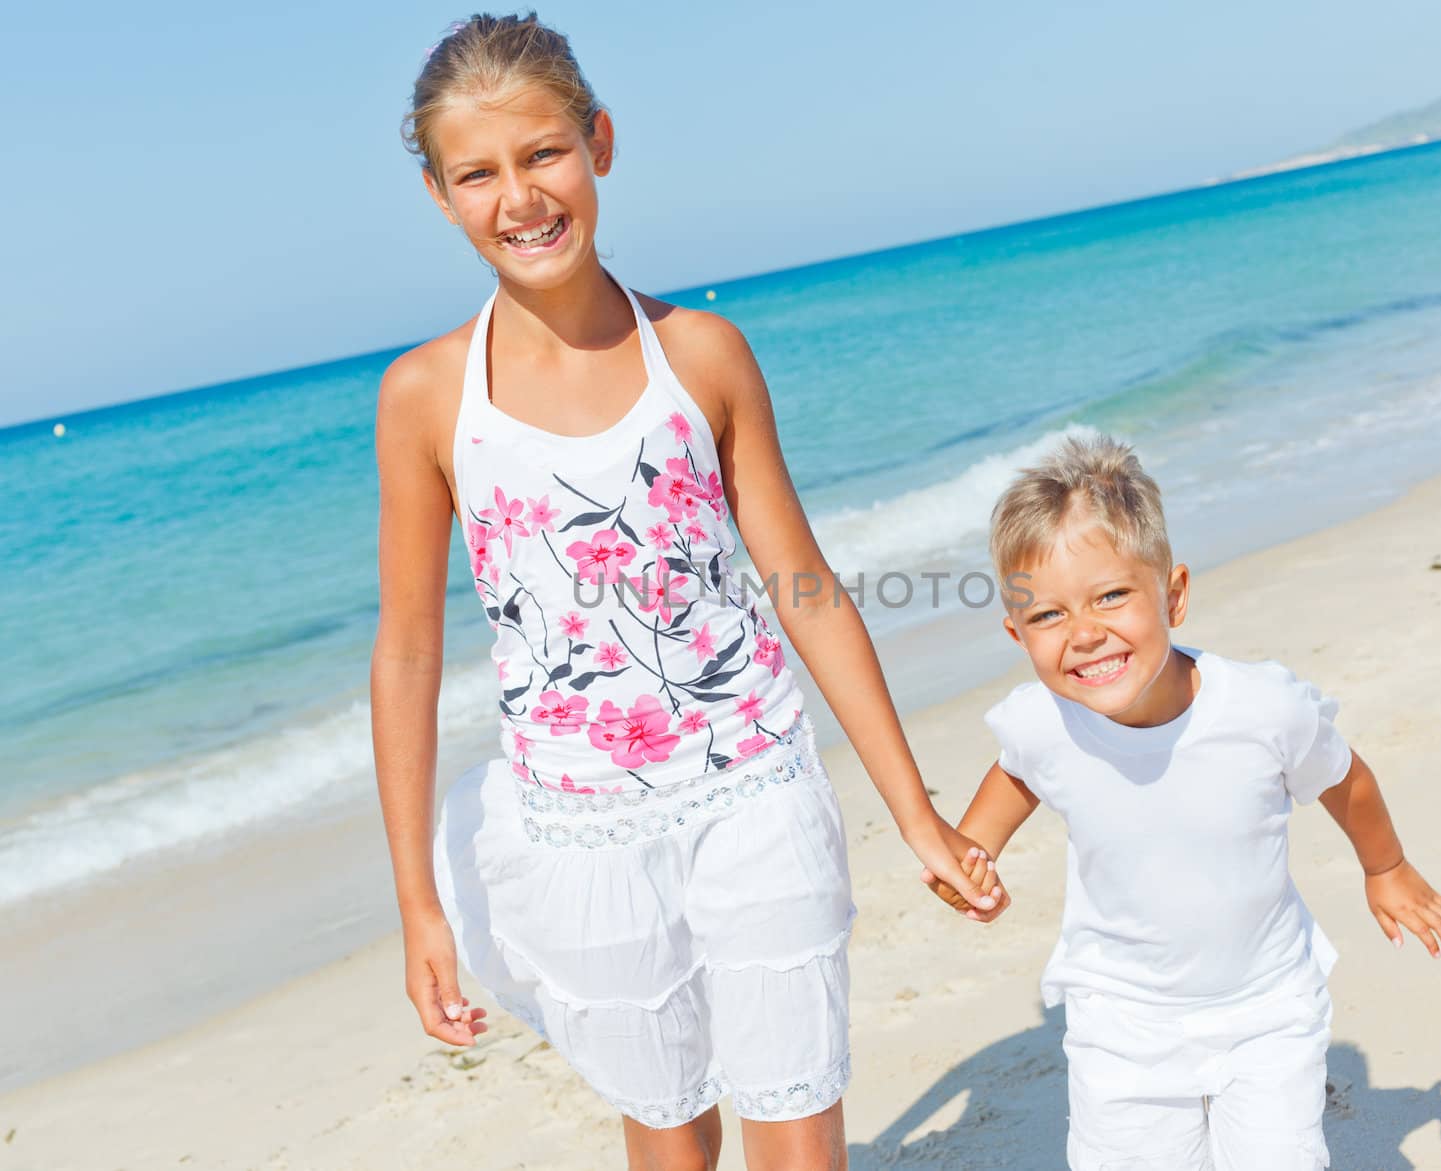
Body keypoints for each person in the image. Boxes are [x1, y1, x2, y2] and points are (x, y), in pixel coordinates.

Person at [368, 13, 995, 1170]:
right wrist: (418, 901)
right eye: (479, 173)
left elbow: (802, 585)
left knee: (797, 1127)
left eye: (544, 153)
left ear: (598, 142)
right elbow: (406, 653)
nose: (520, 196)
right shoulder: (425, 398)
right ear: (440, 194)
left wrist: (915, 809)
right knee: (668, 1135)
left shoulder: (701, 355)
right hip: (583, 826)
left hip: (753, 782)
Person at [922, 434, 1441, 1170]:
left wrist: (1387, 866)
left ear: (1172, 593)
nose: (1084, 633)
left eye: (1111, 595)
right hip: (1121, 1021)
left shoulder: (1262, 710)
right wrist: (971, 855)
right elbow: (1016, 774)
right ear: (1017, 633)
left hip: (1267, 1006)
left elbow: (1345, 776)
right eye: (1048, 616)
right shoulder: (1042, 721)